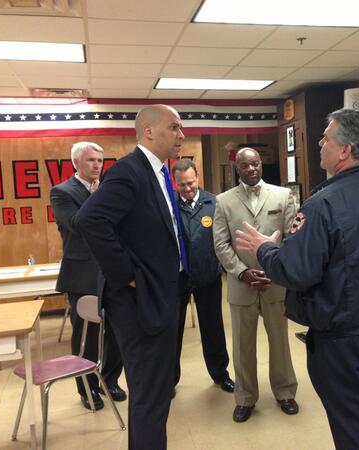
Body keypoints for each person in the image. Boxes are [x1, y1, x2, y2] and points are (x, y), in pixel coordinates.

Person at [235, 109, 359, 450]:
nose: (319, 143)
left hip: (342, 336)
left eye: (326, 138)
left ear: (345, 150)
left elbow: (296, 271)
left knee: (354, 422)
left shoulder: (322, 204)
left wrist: (265, 249)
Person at [75, 105, 187, 450]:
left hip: (165, 291)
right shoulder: (129, 171)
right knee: (150, 394)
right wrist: (126, 275)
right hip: (139, 299)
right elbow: (90, 220)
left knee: (157, 390)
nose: (181, 135)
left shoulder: (159, 172)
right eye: (174, 127)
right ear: (149, 131)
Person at [213, 147, 299, 423]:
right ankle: (245, 398)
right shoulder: (223, 201)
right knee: (243, 346)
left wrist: (276, 268)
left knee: (280, 341)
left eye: (255, 164)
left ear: (261, 164)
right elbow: (221, 244)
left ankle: (285, 392)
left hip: (275, 282)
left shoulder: (283, 196)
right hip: (242, 285)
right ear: (237, 168)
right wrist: (242, 272)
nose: (251, 169)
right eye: (245, 165)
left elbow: (292, 238)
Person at [50, 141, 125, 410]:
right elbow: (78, 225)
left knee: (118, 331)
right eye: (91, 160)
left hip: (112, 271)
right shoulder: (62, 192)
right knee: (88, 336)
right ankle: (87, 388)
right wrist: (96, 199)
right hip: (82, 275)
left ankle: (109, 379)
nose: (97, 165)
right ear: (76, 163)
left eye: (100, 160)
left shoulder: (107, 189)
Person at [171, 158, 234, 394]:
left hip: (208, 275)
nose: (187, 188)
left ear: (197, 176)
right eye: (182, 185)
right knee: (173, 329)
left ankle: (220, 374)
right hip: (178, 278)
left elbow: (224, 237)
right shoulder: (169, 204)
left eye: (190, 183)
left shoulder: (214, 202)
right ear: (174, 183)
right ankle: (169, 380)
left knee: (213, 327)